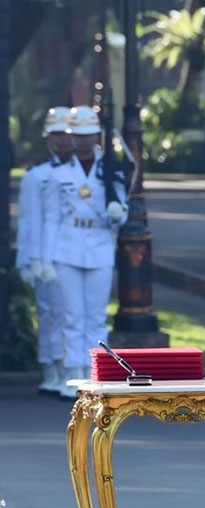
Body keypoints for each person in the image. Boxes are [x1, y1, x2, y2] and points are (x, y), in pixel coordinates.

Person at [41, 106, 127, 400]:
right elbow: (52, 218)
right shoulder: (59, 174)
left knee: (96, 316)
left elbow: (122, 212)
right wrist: (46, 257)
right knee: (72, 317)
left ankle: (97, 374)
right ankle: (74, 374)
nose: (83, 140)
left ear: (97, 136)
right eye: (77, 135)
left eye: (88, 134)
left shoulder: (110, 168)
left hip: (100, 245)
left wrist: (118, 213)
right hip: (67, 247)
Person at [16, 106, 73, 396]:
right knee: (50, 313)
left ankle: (69, 368)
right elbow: (30, 222)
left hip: (74, 254)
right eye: (57, 134)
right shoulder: (36, 177)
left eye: (67, 134)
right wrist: (29, 259)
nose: (63, 140)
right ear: (47, 138)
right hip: (44, 256)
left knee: (70, 315)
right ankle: (51, 368)